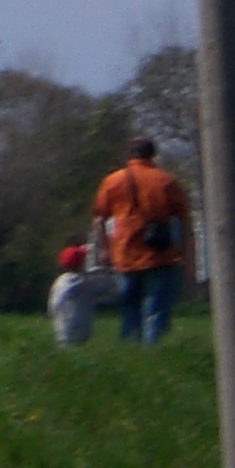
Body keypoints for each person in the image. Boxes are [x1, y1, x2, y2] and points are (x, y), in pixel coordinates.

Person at [91, 138, 190, 346]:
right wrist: (183, 250)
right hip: (159, 253)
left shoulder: (113, 181)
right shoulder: (166, 181)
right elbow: (182, 218)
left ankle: (130, 351)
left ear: (129, 155)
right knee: (156, 308)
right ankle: (154, 352)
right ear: (153, 154)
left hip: (124, 253)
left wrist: (103, 248)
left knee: (129, 306)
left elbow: (99, 218)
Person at [46, 243, 111, 347]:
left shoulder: (59, 282)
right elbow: (105, 287)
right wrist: (106, 267)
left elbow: (52, 306)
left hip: (60, 330)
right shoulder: (83, 282)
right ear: (80, 264)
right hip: (79, 332)